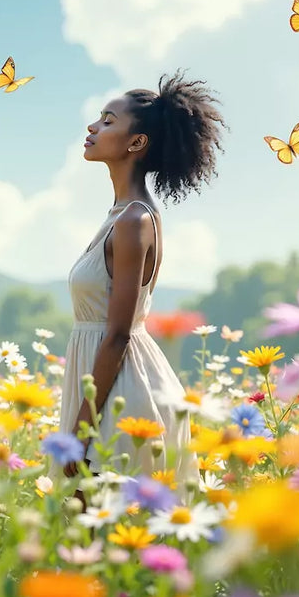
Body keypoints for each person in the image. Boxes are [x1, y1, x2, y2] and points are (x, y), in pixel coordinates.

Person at [61, 70, 226, 482]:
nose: (93, 126)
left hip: (120, 395)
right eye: (99, 117)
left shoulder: (134, 220)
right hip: (103, 385)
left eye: (108, 121)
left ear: (136, 143)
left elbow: (118, 333)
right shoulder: (122, 216)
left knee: (101, 536)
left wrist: (84, 429)